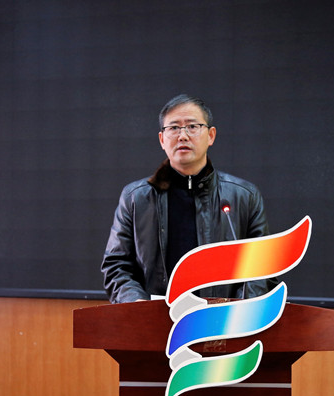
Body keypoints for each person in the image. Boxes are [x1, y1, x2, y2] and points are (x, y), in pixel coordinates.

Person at [101, 94, 276, 303]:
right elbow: (116, 266)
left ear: (211, 136)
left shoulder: (244, 196)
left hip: (222, 318)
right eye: (174, 128)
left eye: (192, 126)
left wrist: (236, 310)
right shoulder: (135, 198)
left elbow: (262, 268)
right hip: (153, 318)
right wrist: (138, 307)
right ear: (162, 139)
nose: (182, 136)